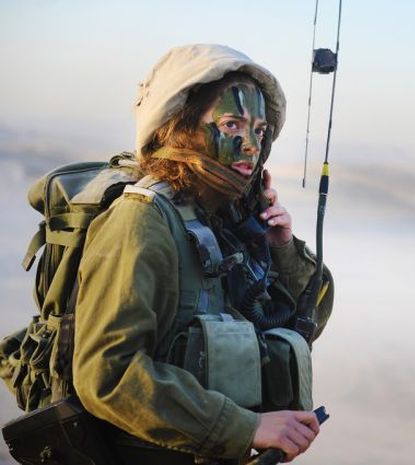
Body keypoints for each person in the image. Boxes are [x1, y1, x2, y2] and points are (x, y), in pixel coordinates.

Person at [70, 44, 333, 464]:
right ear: (180, 127)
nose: (250, 145)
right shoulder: (143, 221)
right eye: (232, 124)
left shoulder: (226, 220)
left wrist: (281, 248)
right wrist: (247, 428)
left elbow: (306, 323)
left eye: (261, 131)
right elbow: (107, 375)